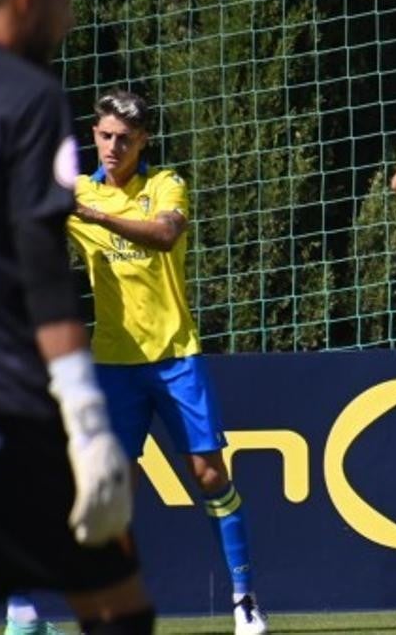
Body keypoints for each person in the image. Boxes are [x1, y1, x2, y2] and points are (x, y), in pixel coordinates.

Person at [0, 0, 155, 633]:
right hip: (13, 407)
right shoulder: (28, 96)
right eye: (65, 5)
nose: (68, 23)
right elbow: (42, 265)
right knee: (118, 608)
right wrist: (86, 422)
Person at [66, 91, 267, 634]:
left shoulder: (165, 185)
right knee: (112, 493)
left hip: (177, 356)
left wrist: (88, 213)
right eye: (105, 136)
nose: (113, 146)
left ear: (143, 141)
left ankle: (244, 597)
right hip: (113, 361)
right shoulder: (76, 191)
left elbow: (164, 235)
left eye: (125, 139)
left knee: (209, 474)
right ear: (94, 135)